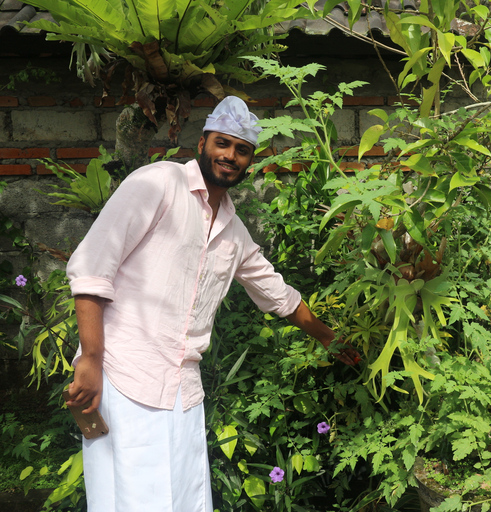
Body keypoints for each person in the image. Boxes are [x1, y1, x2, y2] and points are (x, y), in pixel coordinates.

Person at [64, 96, 359, 512]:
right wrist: (90, 359)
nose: (230, 156)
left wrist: (330, 339)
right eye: (223, 143)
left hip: (183, 390)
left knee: (184, 499)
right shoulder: (158, 183)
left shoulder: (233, 231)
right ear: (202, 143)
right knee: (129, 497)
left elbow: (278, 294)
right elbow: (93, 268)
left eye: (242, 150)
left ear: (250, 160)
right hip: (123, 375)